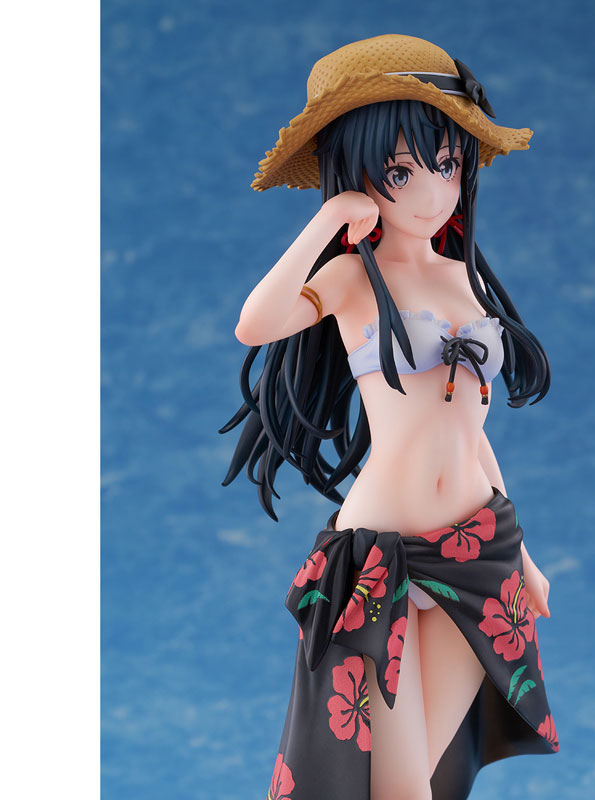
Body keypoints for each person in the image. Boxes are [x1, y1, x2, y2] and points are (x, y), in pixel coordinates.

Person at [221, 34, 559, 800]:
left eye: (446, 164)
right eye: (399, 172)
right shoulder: (349, 278)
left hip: (478, 553)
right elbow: (254, 323)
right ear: (357, 173)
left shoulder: (461, 276)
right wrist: (328, 220)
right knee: (395, 784)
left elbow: (470, 433)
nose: (432, 193)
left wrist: (524, 555)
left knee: (433, 778)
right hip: (383, 559)